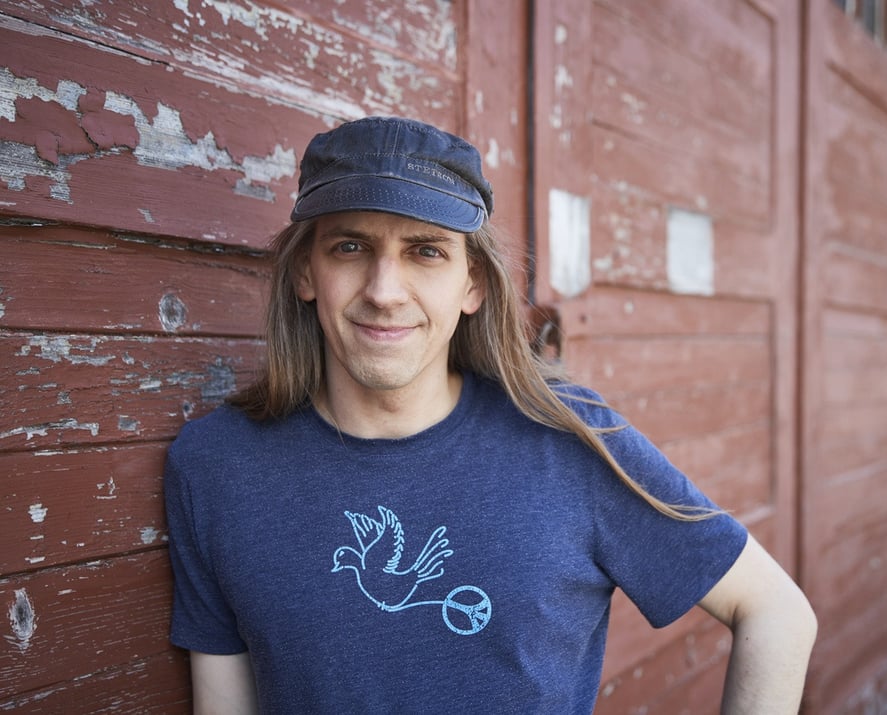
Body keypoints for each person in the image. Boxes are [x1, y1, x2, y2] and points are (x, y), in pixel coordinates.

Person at [164, 116, 817, 714]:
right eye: (350, 247)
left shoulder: (569, 442)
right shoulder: (217, 468)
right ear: (306, 272)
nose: (385, 291)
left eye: (426, 251)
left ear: (472, 282)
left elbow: (776, 612)